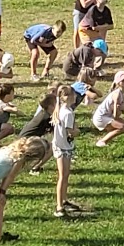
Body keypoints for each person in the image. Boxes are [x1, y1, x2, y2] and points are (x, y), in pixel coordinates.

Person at [0, 135, 50, 243]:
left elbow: (5, 175)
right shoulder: (19, 159)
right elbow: (10, 176)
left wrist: (1, 190)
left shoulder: (13, 149)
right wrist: (2, 191)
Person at [48, 83, 79, 217]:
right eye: (73, 94)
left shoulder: (61, 110)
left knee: (65, 176)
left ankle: (64, 200)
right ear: (67, 97)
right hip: (63, 147)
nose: (75, 97)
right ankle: (59, 206)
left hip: (61, 145)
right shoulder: (67, 113)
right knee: (63, 176)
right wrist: (78, 131)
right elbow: (70, 131)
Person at [91, 69, 124, 146]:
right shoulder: (116, 95)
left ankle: (108, 135)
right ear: (121, 82)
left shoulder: (122, 93)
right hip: (101, 118)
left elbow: (123, 111)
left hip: (107, 116)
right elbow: (116, 115)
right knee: (122, 127)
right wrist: (120, 108)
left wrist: (122, 108)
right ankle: (102, 141)